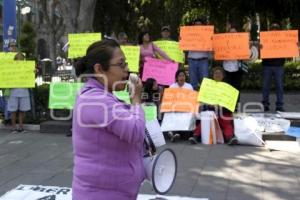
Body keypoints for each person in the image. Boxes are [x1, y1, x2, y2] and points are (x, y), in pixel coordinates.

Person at [72, 39, 146, 200]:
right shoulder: (94, 100)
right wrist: (136, 99)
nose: (127, 70)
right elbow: (135, 131)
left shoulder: (102, 96)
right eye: (121, 64)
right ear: (99, 69)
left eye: (126, 63)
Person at [192, 67, 238, 145]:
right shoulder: (207, 86)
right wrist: (208, 104)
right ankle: (195, 136)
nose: (218, 75)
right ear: (212, 75)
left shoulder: (227, 87)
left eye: (220, 73)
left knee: (226, 123)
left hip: (223, 111)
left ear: (223, 76)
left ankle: (230, 138)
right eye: (216, 73)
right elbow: (202, 100)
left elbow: (230, 103)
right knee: (205, 121)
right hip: (210, 111)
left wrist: (221, 106)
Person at [262, 22, 285, 112]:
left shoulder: (284, 39)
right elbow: (259, 50)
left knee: (279, 86)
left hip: (279, 66)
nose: (274, 29)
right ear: (270, 30)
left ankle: (279, 105)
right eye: (273, 28)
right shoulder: (265, 39)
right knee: (265, 87)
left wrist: (295, 45)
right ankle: (265, 105)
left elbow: (290, 47)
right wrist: (260, 47)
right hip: (267, 66)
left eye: (276, 28)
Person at [7, 53, 31, 133]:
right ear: (15, 60)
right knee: (13, 111)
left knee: (22, 111)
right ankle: (13, 128)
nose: (20, 60)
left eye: (22, 58)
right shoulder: (10, 69)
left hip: (24, 92)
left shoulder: (27, 68)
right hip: (13, 92)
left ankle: (21, 127)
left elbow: (31, 79)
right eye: (18, 58)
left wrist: (34, 73)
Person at [168, 69, 194, 142]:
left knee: (186, 136)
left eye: (183, 76)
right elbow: (169, 100)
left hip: (186, 109)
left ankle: (174, 133)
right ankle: (174, 133)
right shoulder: (172, 86)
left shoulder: (189, 86)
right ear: (176, 78)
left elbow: (192, 100)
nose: (181, 77)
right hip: (175, 109)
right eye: (180, 76)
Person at [222, 25, 244, 107]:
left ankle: (236, 106)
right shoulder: (223, 42)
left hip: (238, 68)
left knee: (237, 88)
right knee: (227, 87)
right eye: (231, 33)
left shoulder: (242, 42)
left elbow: (248, 54)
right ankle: (227, 105)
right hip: (226, 67)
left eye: (234, 33)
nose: (232, 34)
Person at [187, 18, 211, 91]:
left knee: (205, 83)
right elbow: (184, 47)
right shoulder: (188, 34)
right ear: (193, 26)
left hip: (203, 60)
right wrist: (182, 40)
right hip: (192, 60)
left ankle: (204, 102)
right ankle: (194, 101)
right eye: (196, 25)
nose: (198, 26)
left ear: (203, 26)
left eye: (199, 25)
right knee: (193, 83)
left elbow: (211, 48)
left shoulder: (207, 34)